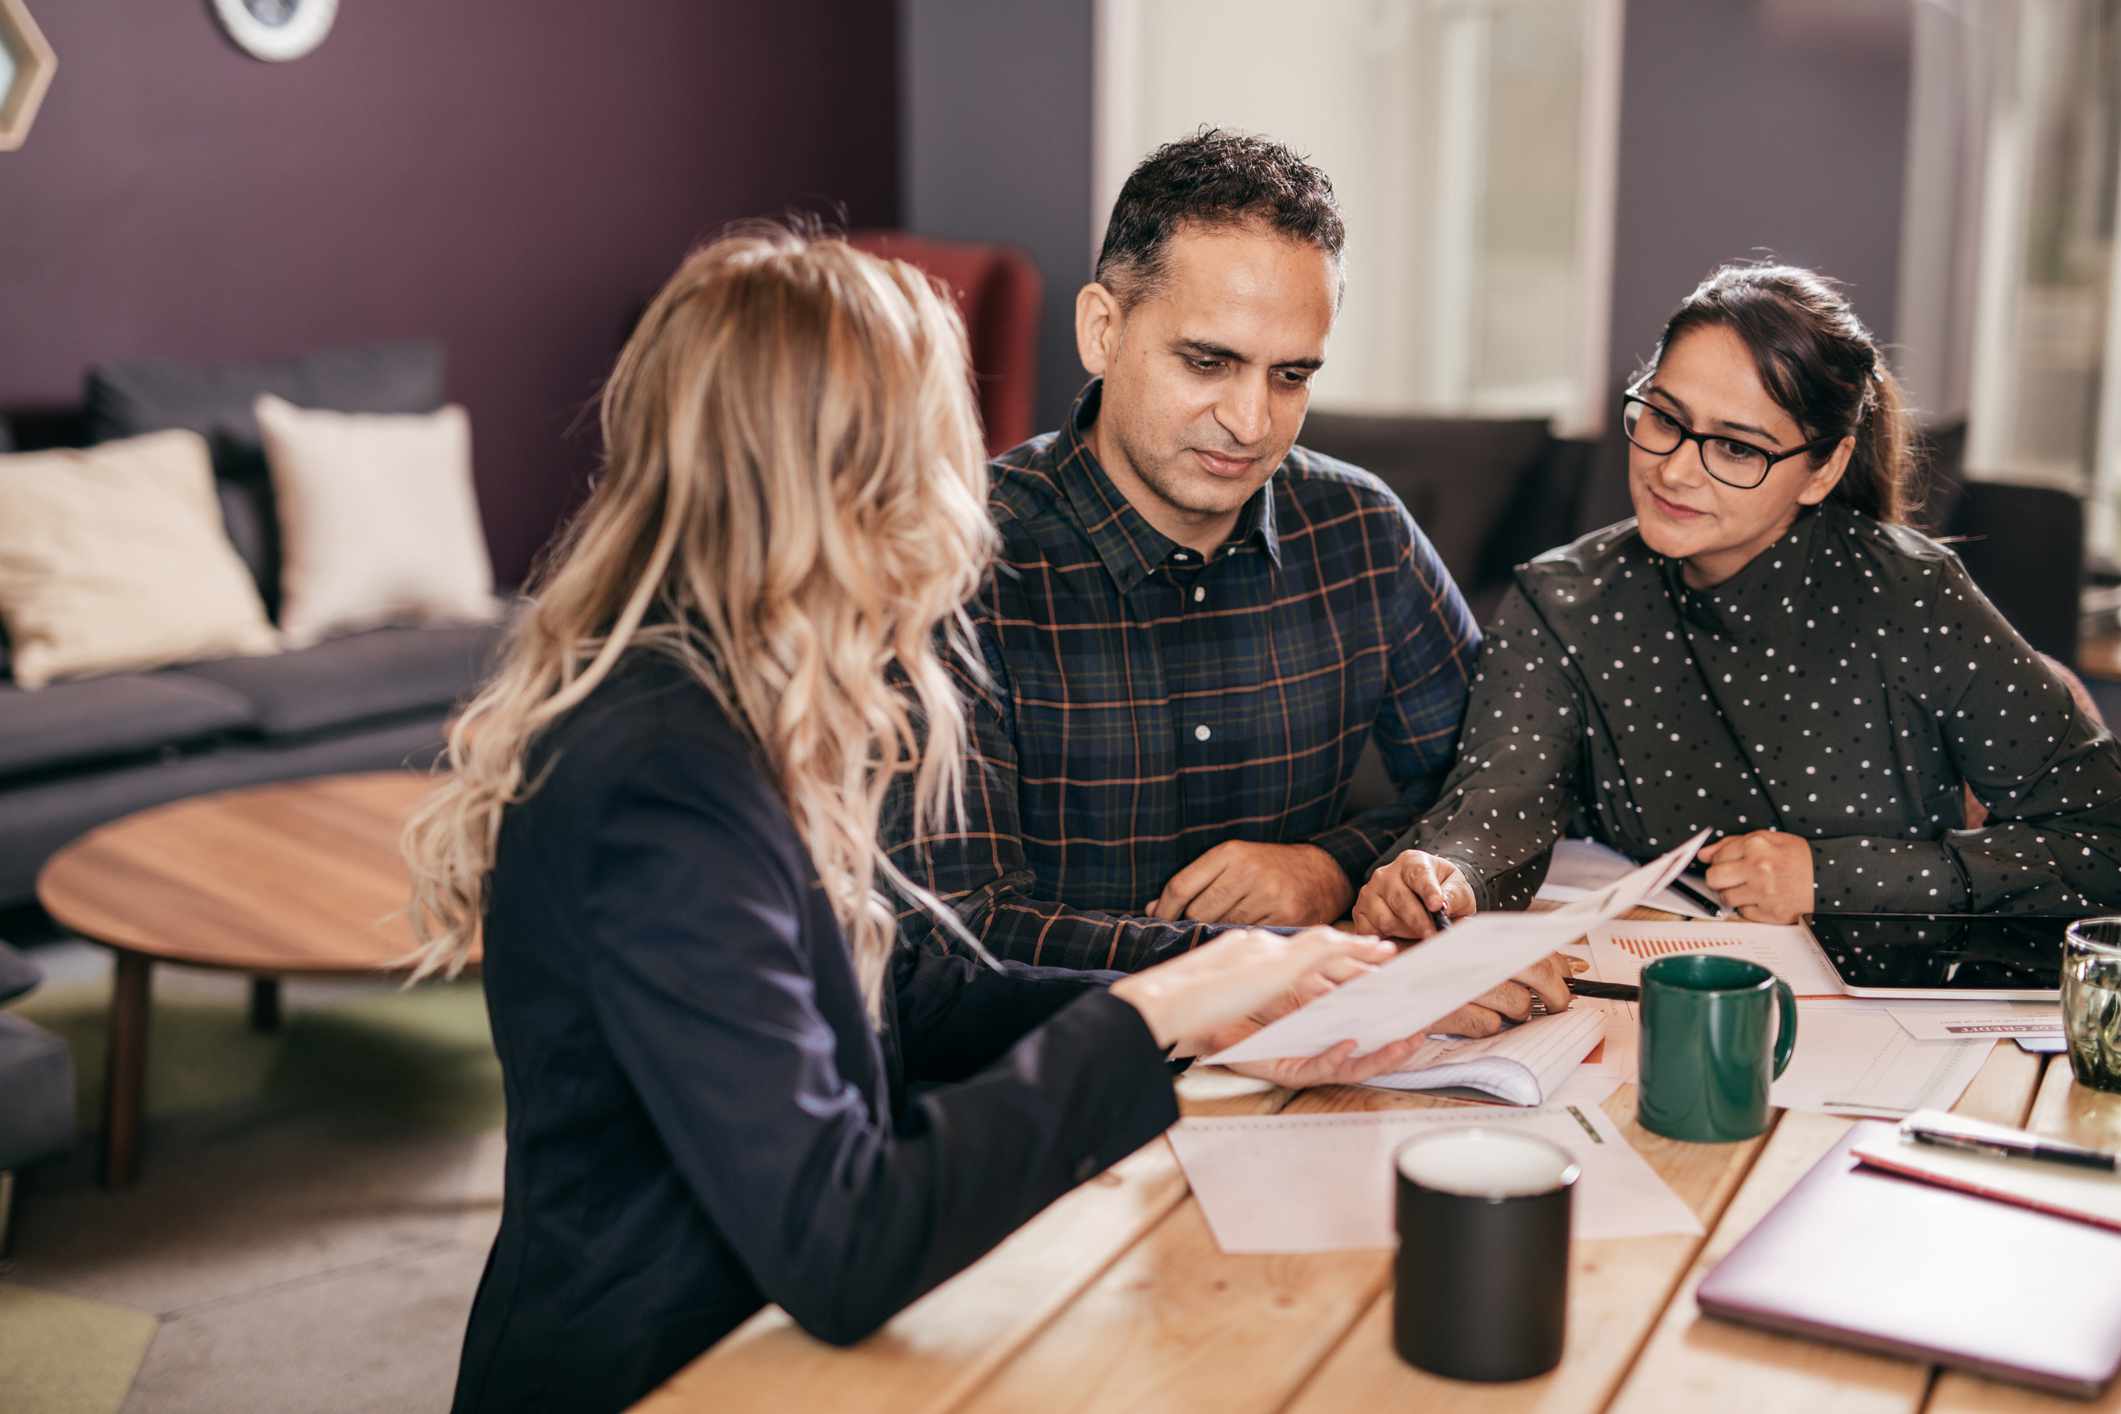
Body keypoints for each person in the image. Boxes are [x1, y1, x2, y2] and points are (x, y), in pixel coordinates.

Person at [401, 228, 1496, 1414]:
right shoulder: (662, 779)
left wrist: (1229, 980)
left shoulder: (743, 693)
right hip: (676, 1370)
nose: (961, 491)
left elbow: (896, 999)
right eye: (936, 447)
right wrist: (1148, 1010)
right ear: (838, 477)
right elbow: (844, 1236)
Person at [1354, 262, 2121, 939]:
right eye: (1664, 418)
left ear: (1822, 470)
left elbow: (2103, 839)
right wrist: (1441, 878)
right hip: (1645, 996)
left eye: (1735, 447)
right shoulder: (1561, 602)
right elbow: (1499, 808)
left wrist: (1831, 879)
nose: (1676, 472)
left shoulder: (1912, 597)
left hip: (1889, 1033)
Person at [889, 129, 1494, 974]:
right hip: (1056, 1088)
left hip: (1324, 1068)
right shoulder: (948, 565)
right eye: (1208, 362)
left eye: (1291, 376)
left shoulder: (1361, 530)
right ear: (1102, 330)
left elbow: (1492, 782)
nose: (1251, 423)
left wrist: (1331, 868)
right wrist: (1265, 969)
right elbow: (952, 936)